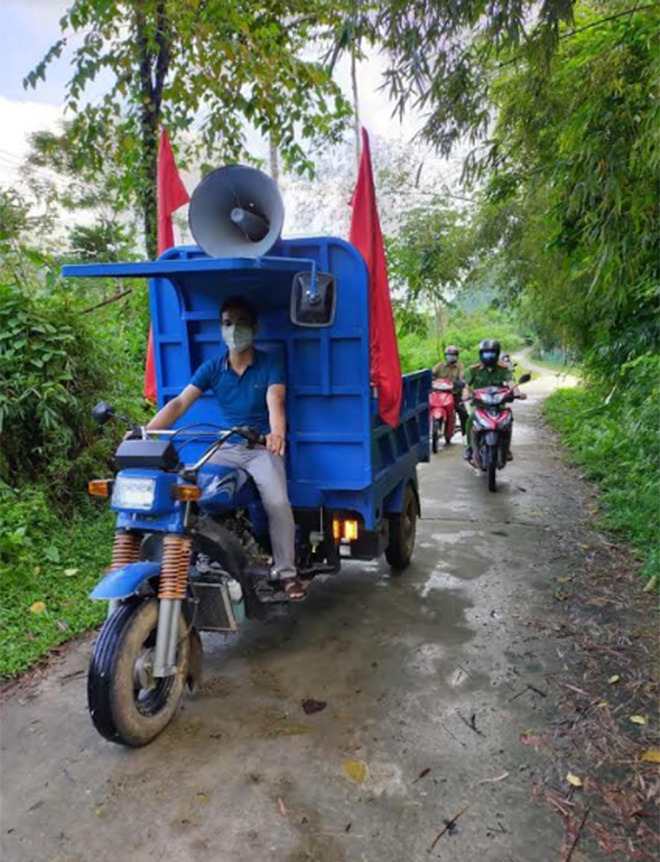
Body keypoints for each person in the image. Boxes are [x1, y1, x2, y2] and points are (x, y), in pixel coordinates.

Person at [145, 295, 306, 601]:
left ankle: (287, 572)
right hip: (225, 446)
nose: (234, 329)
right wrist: (145, 431)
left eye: (241, 322)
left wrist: (276, 434)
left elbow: (276, 401)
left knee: (277, 503)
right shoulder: (212, 368)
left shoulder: (270, 364)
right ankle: (193, 561)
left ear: (254, 328)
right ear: (220, 328)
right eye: (227, 323)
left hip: (260, 448)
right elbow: (180, 403)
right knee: (191, 491)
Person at [463, 339, 517, 463]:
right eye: (486, 353)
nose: (489, 356)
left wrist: (517, 392)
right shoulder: (473, 370)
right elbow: (466, 385)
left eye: (492, 353)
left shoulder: (503, 369)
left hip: (499, 405)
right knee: (471, 419)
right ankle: (469, 447)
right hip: (480, 404)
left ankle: (506, 448)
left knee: (508, 420)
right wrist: (466, 394)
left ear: (497, 354)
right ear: (481, 354)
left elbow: (511, 382)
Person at [432, 345, 468, 435]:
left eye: (453, 355)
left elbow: (462, 377)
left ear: (457, 356)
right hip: (439, 394)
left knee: (463, 413)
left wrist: (460, 383)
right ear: (446, 356)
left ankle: (466, 435)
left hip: (454, 394)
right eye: (449, 355)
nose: (451, 357)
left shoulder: (459, 366)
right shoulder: (440, 366)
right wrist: (431, 380)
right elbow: (432, 374)